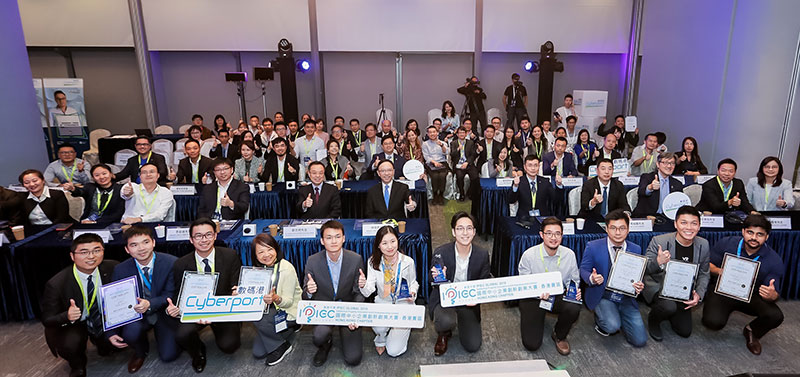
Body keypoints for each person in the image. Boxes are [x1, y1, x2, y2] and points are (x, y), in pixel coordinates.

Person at [166, 218, 242, 372]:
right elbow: (178, 294)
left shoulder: (230, 255)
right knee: (182, 334)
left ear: (215, 236)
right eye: (198, 236)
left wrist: (237, 292)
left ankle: (222, 329)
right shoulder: (181, 264)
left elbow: (235, 285)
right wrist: (173, 309)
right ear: (191, 240)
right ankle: (198, 352)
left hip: (222, 309)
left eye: (208, 234)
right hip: (195, 310)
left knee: (230, 346)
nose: (204, 240)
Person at [702, 215, 784, 355]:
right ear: (743, 231)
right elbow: (707, 265)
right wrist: (720, 271)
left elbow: (774, 292)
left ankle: (752, 331)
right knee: (712, 322)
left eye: (760, 234)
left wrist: (771, 295)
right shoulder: (726, 243)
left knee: (775, 315)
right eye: (750, 232)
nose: (754, 237)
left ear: (767, 237)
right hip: (723, 289)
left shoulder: (774, 260)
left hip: (751, 294)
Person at [40, 233, 118, 377]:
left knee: (118, 340)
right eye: (84, 252)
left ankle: (102, 343)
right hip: (74, 323)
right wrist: (67, 316)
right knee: (70, 344)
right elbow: (47, 319)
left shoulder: (113, 267)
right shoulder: (56, 284)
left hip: (103, 317)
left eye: (96, 250)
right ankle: (77, 365)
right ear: (72, 256)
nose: (91, 256)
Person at [107, 226, 180, 373]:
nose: (141, 248)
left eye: (145, 242)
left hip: (162, 311)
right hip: (136, 314)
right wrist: (111, 332)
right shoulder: (120, 269)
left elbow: (171, 293)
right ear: (127, 249)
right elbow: (113, 301)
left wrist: (150, 304)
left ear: (153, 242)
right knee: (130, 334)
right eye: (134, 245)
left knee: (169, 356)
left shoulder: (171, 262)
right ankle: (140, 351)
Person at [579, 209, 647, 347]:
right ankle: (601, 321)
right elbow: (583, 270)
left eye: (622, 228)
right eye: (613, 228)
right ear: (606, 229)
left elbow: (638, 275)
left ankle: (618, 316)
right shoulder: (593, 246)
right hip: (603, 295)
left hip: (626, 297)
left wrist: (640, 285)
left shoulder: (635, 248)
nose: (618, 232)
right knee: (611, 326)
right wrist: (592, 278)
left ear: (628, 230)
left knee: (640, 341)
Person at [303, 220, 365, 367]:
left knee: (353, 359)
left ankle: (345, 334)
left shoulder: (356, 259)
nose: (333, 241)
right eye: (329, 238)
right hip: (326, 310)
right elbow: (305, 297)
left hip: (347, 310)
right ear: (322, 241)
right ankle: (326, 343)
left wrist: (355, 313)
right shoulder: (312, 261)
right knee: (319, 337)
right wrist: (309, 292)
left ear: (344, 238)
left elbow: (358, 293)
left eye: (337, 236)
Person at [642, 206, 709, 341]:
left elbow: (704, 273)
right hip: (659, 286)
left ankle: (671, 312)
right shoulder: (659, 241)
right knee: (668, 306)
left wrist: (699, 295)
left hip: (683, 290)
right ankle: (654, 320)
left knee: (684, 331)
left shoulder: (704, 244)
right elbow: (645, 269)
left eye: (694, 223)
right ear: (675, 224)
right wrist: (659, 262)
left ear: (699, 226)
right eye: (684, 222)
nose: (689, 228)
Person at [429, 212, 491, 356]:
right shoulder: (441, 252)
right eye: (460, 228)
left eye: (469, 228)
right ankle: (444, 333)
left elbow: (485, 281)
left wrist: (477, 298)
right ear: (453, 232)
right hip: (446, 300)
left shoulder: (482, 254)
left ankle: (463, 322)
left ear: (474, 232)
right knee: (445, 320)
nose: (465, 233)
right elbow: (431, 279)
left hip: (469, 302)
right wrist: (438, 278)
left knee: (473, 345)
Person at [518, 217, 581, 354]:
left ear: (562, 235)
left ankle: (559, 335)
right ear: (541, 235)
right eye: (549, 233)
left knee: (574, 305)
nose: (554, 238)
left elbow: (574, 280)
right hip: (533, 298)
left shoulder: (569, 255)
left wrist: (575, 291)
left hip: (557, 296)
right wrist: (537, 292)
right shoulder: (529, 255)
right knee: (532, 344)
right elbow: (523, 283)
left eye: (558, 234)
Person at [359, 226, 418, 357]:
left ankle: (399, 329)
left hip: (403, 304)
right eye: (384, 243)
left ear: (398, 241)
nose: (390, 246)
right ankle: (381, 337)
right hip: (383, 302)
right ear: (378, 246)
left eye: (393, 241)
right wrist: (363, 285)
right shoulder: (373, 262)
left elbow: (413, 283)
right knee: (379, 328)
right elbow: (368, 291)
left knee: (393, 351)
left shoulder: (408, 262)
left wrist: (413, 292)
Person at [248, 234, 301, 365]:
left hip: (287, 310)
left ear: (276, 249)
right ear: (255, 256)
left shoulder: (286, 268)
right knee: (258, 353)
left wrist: (276, 298)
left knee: (258, 317)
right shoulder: (258, 270)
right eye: (260, 252)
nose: (266, 254)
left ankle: (282, 345)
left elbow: (288, 302)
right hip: (271, 311)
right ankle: (285, 331)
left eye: (269, 249)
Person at [509, 155, 562, 219]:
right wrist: (515, 186)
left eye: (535, 165)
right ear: (525, 167)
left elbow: (556, 200)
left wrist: (559, 185)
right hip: (524, 218)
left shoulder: (545, 181)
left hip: (542, 217)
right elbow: (511, 200)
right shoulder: (519, 182)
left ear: (539, 167)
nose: (533, 168)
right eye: (530, 165)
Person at [633, 153, 684, 217]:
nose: (669, 166)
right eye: (665, 163)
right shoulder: (647, 177)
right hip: (647, 217)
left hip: (668, 218)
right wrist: (650, 187)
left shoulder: (677, 184)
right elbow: (641, 191)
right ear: (658, 164)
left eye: (672, 163)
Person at [450, 126, 479, 202]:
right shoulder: (453, 143)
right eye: (460, 133)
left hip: (468, 164)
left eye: (463, 132)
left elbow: (473, 155)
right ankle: (462, 193)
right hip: (458, 165)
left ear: (466, 134)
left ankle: (470, 193)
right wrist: (457, 149)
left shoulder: (470, 142)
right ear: (457, 134)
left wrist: (467, 162)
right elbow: (452, 155)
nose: (462, 134)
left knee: (475, 176)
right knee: (459, 177)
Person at [422, 126, 450, 205]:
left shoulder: (442, 142)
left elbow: (446, 152)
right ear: (428, 134)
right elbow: (426, 157)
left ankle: (440, 195)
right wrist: (434, 162)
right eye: (430, 132)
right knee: (434, 176)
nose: (432, 134)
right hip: (431, 163)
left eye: (434, 132)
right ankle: (435, 195)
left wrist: (441, 145)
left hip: (442, 162)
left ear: (437, 133)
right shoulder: (425, 144)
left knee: (442, 176)